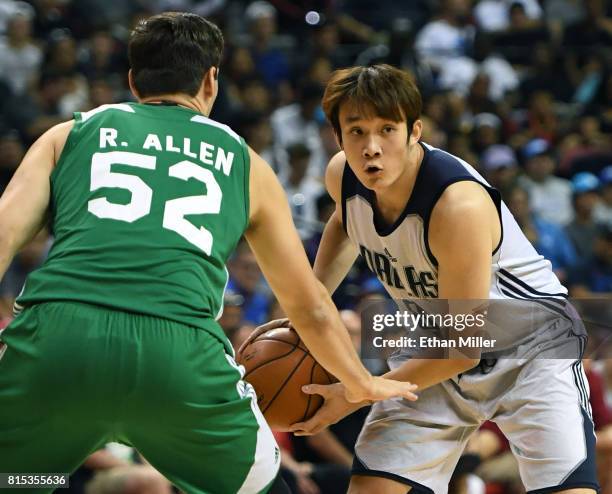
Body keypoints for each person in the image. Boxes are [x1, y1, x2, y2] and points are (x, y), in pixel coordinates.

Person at [0, 16, 418, 494]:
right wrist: (360, 382)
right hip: (179, 359)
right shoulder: (245, 163)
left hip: (59, 343)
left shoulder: (68, 135)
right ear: (210, 80)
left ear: (134, 81)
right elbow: (309, 305)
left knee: (24, 478)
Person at [289, 64, 599, 494]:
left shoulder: (457, 206)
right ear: (337, 137)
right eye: (356, 132)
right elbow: (346, 221)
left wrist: (358, 391)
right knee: (372, 489)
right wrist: (313, 303)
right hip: (439, 343)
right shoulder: (343, 175)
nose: (371, 148)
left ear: (415, 131)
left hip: (528, 352)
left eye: (387, 130)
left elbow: (463, 351)